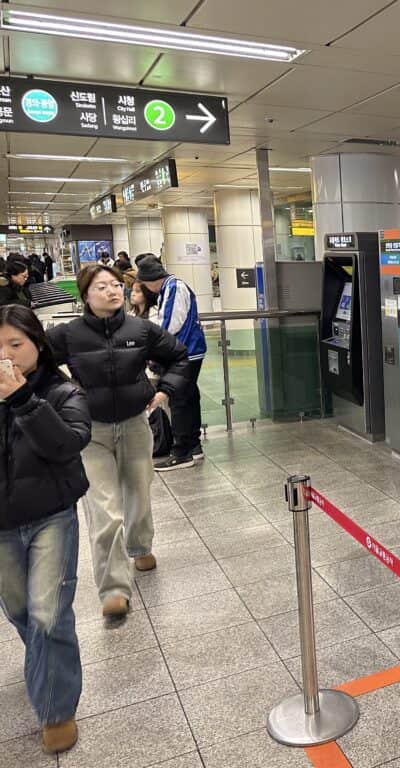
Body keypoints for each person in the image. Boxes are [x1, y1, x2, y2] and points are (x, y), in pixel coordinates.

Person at [47, 264, 189, 618]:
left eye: (115, 285)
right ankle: (113, 588)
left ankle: (140, 546)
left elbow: (180, 357)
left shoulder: (140, 329)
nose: (112, 291)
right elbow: (39, 366)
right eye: (101, 287)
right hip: (90, 430)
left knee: (138, 493)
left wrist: (164, 392)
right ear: (85, 295)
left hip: (135, 423)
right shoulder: (68, 334)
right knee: (105, 508)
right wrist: (65, 394)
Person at [0, 305, 91, 754]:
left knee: (48, 612)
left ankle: (56, 709)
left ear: (37, 343)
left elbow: (69, 443)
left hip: (52, 515)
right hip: (2, 524)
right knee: (21, 612)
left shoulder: (60, 390)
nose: (7, 356)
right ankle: (42, 660)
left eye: (15, 345)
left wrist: (22, 401)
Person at [137, 254, 207, 470]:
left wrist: (151, 346)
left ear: (148, 281)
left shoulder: (174, 287)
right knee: (187, 397)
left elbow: (169, 324)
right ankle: (193, 447)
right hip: (187, 351)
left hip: (185, 352)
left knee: (180, 401)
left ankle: (182, 451)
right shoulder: (172, 287)